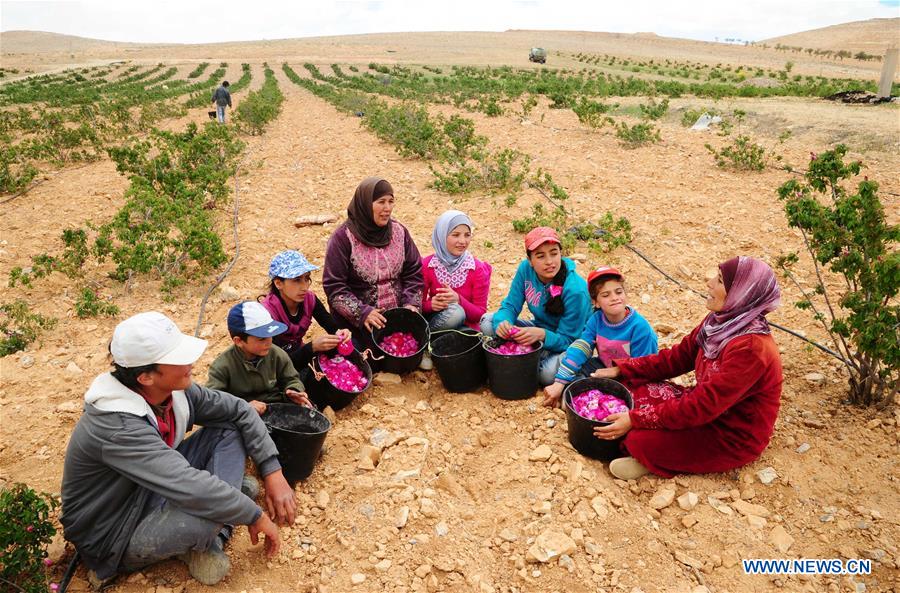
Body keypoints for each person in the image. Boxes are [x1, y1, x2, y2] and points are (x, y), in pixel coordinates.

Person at [61, 312, 294, 589]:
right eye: (177, 358)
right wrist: (252, 515)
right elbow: (189, 485)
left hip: (152, 486)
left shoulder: (173, 390)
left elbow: (239, 410)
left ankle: (224, 504)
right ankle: (212, 539)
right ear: (146, 376)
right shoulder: (117, 427)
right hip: (115, 529)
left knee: (229, 428)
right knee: (209, 516)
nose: (190, 362)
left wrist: (272, 471)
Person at [592, 256, 783, 480]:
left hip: (730, 433)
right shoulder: (719, 322)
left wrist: (636, 420)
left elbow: (702, 405)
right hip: (705, 407)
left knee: (637, 438)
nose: (709, 283)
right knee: (629, 390)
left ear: (741, 294)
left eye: (720, 281)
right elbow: (678, 357)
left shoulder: (751, 349)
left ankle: (650, 461)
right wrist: (625, 369)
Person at [481, 226, 592, 386]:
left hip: (570, 343)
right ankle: (534, 358)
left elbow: (570, 339)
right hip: (539, 330)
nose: (549, 262)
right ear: (530, 260)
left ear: (561, 253)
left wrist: (542, 335)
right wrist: (502, 323)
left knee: (547, 375)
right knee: (488, 322)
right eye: (540, 256)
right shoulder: (525, 270)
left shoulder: (576, 290)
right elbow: (511, 306)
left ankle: (563, 367)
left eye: (554, 253)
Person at [322, 177, 424, 349]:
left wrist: (410, 306)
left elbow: (413, 272)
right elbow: (334, 287)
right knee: (362, 357)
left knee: (411, 348)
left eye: (391, 201)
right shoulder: (343, 238)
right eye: (381, 202)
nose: (387, 208)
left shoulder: (399, 232)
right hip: (358, 325)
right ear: (365, 204)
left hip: (398, 320)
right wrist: (362, 313)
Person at [542, 266, 658, 406]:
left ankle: (597, 399)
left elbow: (644, 367)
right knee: (572, 364)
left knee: (639, 399)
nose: (614, 298)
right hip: (604, 367)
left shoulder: (640, 328)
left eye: (618, 292)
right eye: (605, 295)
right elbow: (582, 347)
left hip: (632, 375)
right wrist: (560, 382)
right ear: (595, 302)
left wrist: (617, 371)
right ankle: (583, 395)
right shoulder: (596, 320)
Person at [206, 301, 312, 416]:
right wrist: (243, 407)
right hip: (243, 417)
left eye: (270, 335)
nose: (269, 342)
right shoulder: (222, 366)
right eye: (262, 339)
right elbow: (212, 402)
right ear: (239, 341)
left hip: (276, 410)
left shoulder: (276, 354)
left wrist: (294, 390)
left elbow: (291, 378)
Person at [259, 250, 352, 377]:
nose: (304, 287)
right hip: (273, 367)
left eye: (307, 278)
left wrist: (339, 333)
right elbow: (275, 365)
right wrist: (312, 347)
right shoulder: (267, 315)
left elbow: (329, 323)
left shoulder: (309, 299)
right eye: (297, 280)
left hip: (297, 353)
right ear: (278, 283)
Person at [419, 210, 492, 369]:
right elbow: (417, 305)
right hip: (438, 323)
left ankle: (436, 348)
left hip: (465, 328)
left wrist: (458, 299)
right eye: (455, 235)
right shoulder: (427, 265)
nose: (462, 241)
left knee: (478, 329)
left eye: (467, 235)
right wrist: (431, 305)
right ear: (442, 235)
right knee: (454, 313)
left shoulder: (477, 269)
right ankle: (423, 345)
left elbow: (480, 313)